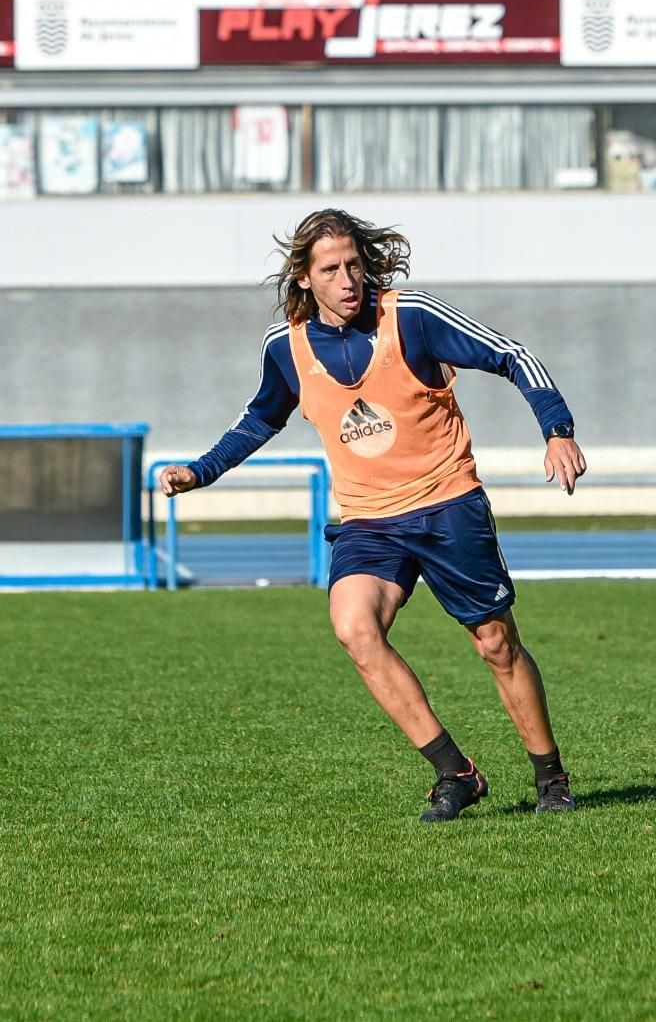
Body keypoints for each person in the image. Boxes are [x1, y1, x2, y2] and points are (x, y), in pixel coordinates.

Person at [159, 208, 587, 821]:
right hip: (368, 520)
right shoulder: (286, 346)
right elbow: (260, 418)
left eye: (355, 264)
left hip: (446, 505)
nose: (348, 278)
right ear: (304, 278)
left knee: (495, 643)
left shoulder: (410, 316)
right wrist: (201, 470)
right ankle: (455, 772)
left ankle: (551, 779)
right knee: (354, 627)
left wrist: (558, 431)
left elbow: (513, 355)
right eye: (331, 269)